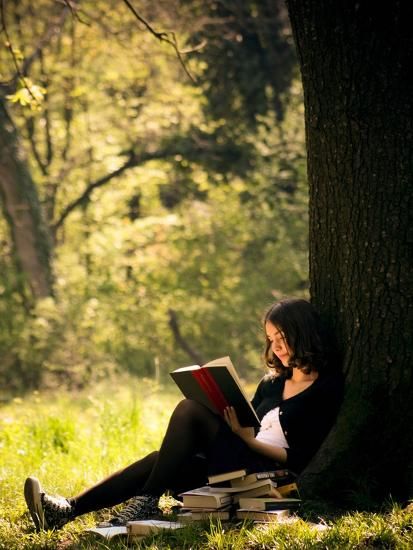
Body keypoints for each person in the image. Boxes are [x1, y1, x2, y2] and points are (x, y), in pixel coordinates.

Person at [24, 298, 344, 531]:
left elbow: (298, 457)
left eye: (283, 339)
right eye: (271, 340)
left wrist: (247, 440)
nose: (276, 348)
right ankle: (68, 510)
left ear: (303, 334)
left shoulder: (324, 388)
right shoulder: (272, 383)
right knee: (158, 459)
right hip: (234, 460)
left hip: (266, 478)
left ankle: (146, 500)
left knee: (190, 409)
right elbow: (253, 423)